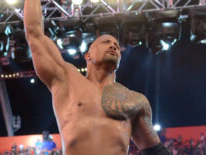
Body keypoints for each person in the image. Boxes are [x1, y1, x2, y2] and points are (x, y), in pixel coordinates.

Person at [23, 0, 170, 155]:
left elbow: (156, 151)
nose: (113, 46)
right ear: (88, 55)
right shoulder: (66, 79)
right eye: (106, 42)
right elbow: (34, 34)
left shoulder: (135, 101)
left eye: (117, 46)